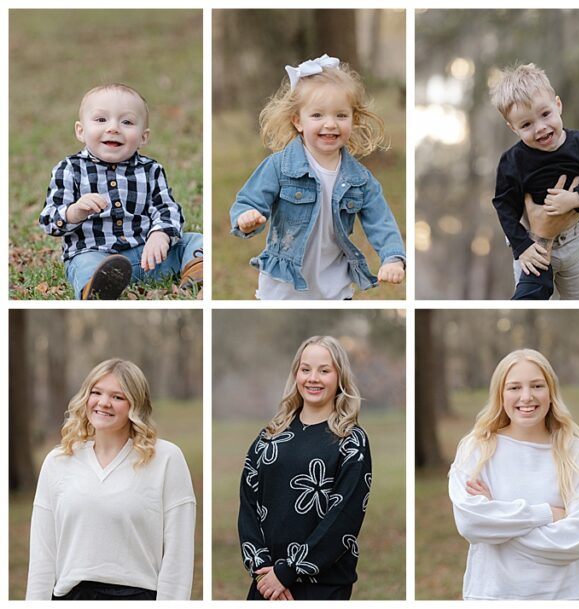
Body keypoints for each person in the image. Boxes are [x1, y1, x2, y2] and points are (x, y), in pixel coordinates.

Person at [230, 55, 405, 300]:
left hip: (335, 288)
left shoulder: (360, 180)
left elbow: (381, 221)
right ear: (298, 121)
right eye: (317, 116)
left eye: (341, 115)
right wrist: (245, 217)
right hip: (282, 288)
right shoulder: (280, 167)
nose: (330, 124)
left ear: (353, 120)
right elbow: (249, 200)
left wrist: (393, 258)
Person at [26, 359, 196, 600]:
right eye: (96, 392)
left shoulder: (166, 459)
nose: (103, 402)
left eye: (117, 397)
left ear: (135, 405)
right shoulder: (58, 461)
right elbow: (42, 557)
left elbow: (178, 556)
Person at [449, 349, 579, 599]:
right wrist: (547, 514)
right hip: (492, 596)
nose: (526, 397)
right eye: (514, 388)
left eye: (537, 386)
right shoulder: (476, 449)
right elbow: (471, 523)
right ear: (500, 395)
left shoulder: (577, 452)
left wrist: (496, 517)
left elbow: (576, 541)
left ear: (551, 392)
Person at [39, 84, 204, 300]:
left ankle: (197, 273)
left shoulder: (150, 169)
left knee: (195, 241)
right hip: (94, 255)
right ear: (81, 130)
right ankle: (97, 290)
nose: (114, 128)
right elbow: (48, 220)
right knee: (84, 265)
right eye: (101, 120)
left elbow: (167, 207)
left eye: (126, 122)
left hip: (149, 256)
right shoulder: (70, 169)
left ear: (143, 137)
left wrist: (160, 233)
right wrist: (75, 212)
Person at [238, 336, 372, 600]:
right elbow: (248, 505)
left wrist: (288, 571)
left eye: (324, 370)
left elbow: (344, 517)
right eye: (305, 369)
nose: (313, 378)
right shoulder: (270, 436)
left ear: (339, 377)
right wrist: (264, 570)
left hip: (322, 585)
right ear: (296, 374)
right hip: (266, 584)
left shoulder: (351, 441)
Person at [490, 63, 579, 300]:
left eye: (545, 115)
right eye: (526, 125)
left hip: (573, 243)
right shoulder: (513, 161)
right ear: (513, 128)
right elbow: (504, 206)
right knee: (535, 298)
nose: (541, 128)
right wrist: (521, 247)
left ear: (558, 105)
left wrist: (575, 198)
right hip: (533, 247)